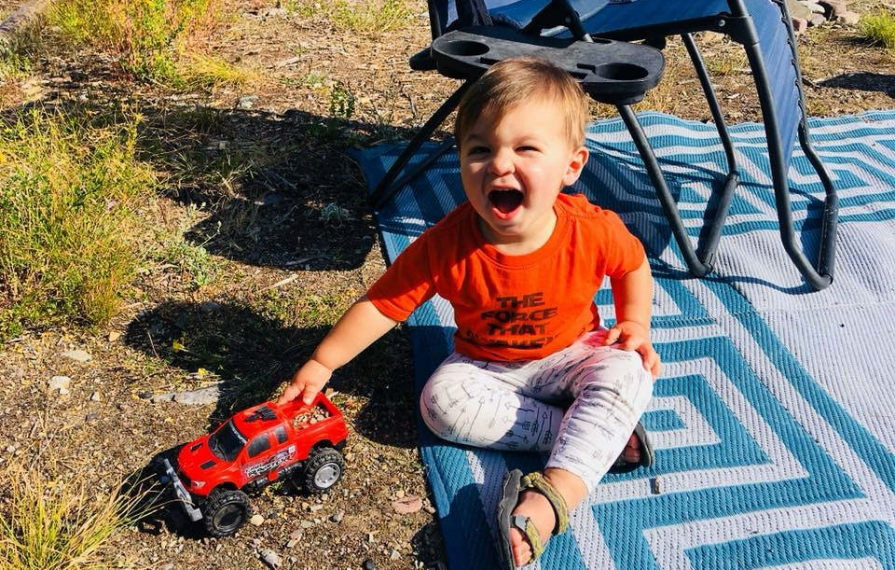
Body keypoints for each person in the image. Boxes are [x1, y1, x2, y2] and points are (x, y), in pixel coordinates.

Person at [278, 56, 660, 568]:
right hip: (488, 370)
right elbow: (382, 304)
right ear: (460, 163)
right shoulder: (445, 244)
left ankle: (551, 499)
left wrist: (635, 324)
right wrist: (324, 362)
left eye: (526, 148)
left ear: (571, 166)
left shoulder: (591, 228)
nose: (500, 165)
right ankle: (592, 437)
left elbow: (634, 265)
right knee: (440, 404)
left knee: (628, 368)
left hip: (573, 354)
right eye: (480, 150)